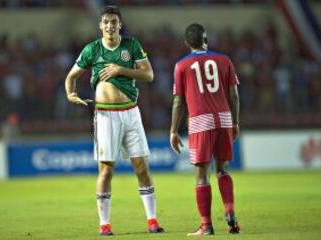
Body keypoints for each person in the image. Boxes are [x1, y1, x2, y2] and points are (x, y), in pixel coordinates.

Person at [64, 5, 164, 236]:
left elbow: (148, 75)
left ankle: (152, 221)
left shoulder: (132, 45)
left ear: (120, 25)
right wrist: (71, 94)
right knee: (106, 171)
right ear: (100, 25)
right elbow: (71, 76)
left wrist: (121, 69)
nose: (110, 26)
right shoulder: (92, 49)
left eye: (114, 22)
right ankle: (105, 225)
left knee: (142, 167)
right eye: (106, 22)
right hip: (106, 116)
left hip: (131, 112)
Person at [170, 23, 241, 236]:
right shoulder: (224, 60)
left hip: (200, 121)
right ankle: (229, 212)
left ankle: (206, 225)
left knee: (202, 175)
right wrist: (235, 122)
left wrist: (174, 130)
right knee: (223, 170)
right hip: (224, 119)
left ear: (186, 43)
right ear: (206, 39)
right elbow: (234, 96)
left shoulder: (181, 65)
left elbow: (178, 101)